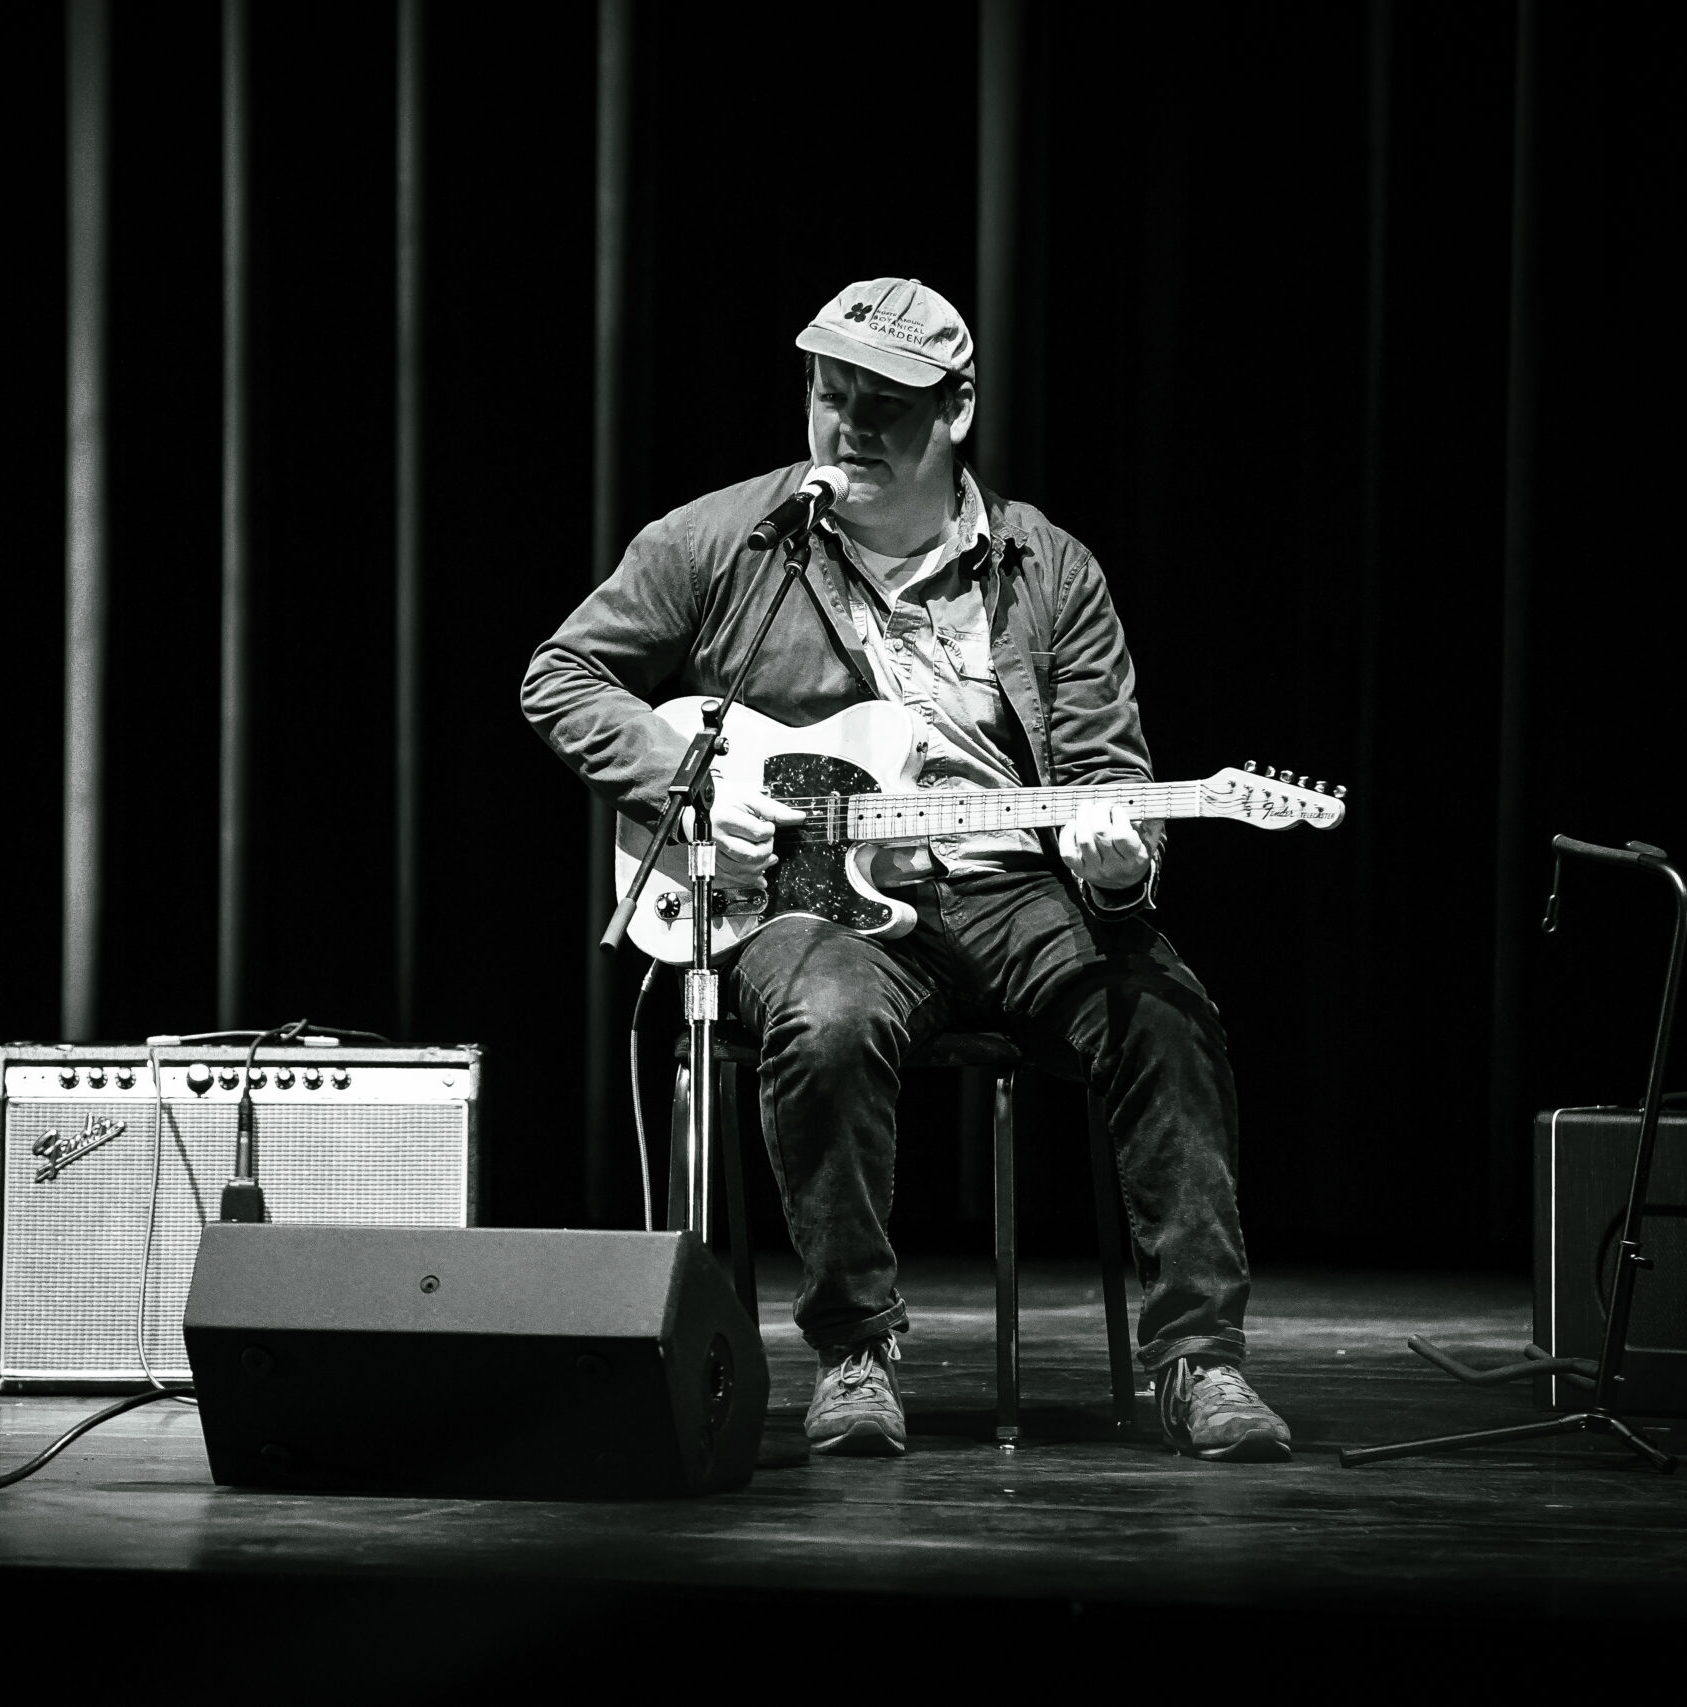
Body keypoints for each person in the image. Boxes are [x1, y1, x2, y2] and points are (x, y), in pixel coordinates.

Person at [521, 278, 1292, 1463]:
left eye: (884, 405)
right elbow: (562, 675)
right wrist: (689, 776)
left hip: (1010, 887)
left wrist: (1117, 871)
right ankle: (854, 1354)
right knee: (825, 1022)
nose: (850, 429)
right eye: (831, 397)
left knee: (1163, 1011)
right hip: (805, 895)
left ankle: (1200, 1361)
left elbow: (1106, 773)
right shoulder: (725, 540)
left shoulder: (1048, 569)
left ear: (955, 411)